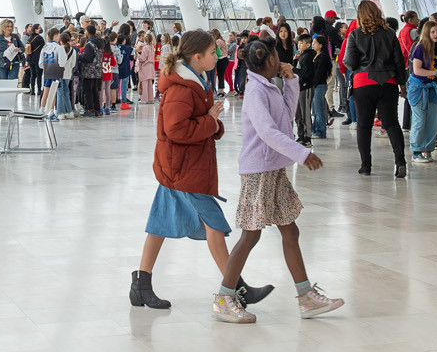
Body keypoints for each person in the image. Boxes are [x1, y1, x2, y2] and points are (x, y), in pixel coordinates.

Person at [213, 38, 345, 323]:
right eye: (277, 55)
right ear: (270, 59)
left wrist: (292, 80)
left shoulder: (268, 86)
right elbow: (268, 132)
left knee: (290, 231)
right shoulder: (255, 92)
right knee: (251, 234)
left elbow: (286, 115)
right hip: (258, 172)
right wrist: (302, 154)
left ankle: (307, 298)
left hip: (273, 169)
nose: (281, 58)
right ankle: (224, 299)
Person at [135, 29, 235, 310]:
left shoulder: (197, 82)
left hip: (181, 166)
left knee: (159, 224)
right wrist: (211, 123)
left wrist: (212, 123)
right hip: (183, 169)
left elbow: (200, 122)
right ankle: (234, 286)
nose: (217, 55)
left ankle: (140, 285)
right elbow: (176, 129)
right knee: (215, 223)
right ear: (197, 56)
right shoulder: (182, 87)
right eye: (213, 52)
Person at [340, 0, 407, 178]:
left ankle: (366, 166)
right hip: (388, 83)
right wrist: (402, 83)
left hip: (363, 83)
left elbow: (350, 62)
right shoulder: (390, 33)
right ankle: (400, 162)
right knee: (392, 124)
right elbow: (399, 61)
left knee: (363, 126)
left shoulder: (354, 35)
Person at [406, 18, 437, 163]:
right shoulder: (420, 47)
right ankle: (416, 151)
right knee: (419, 120)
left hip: (432, 88)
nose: (436, 34)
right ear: (426, 33)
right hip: (418, 87)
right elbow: (417, 70)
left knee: (433, 122)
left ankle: (427, 149)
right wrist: (436, 72)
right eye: (432, 32)